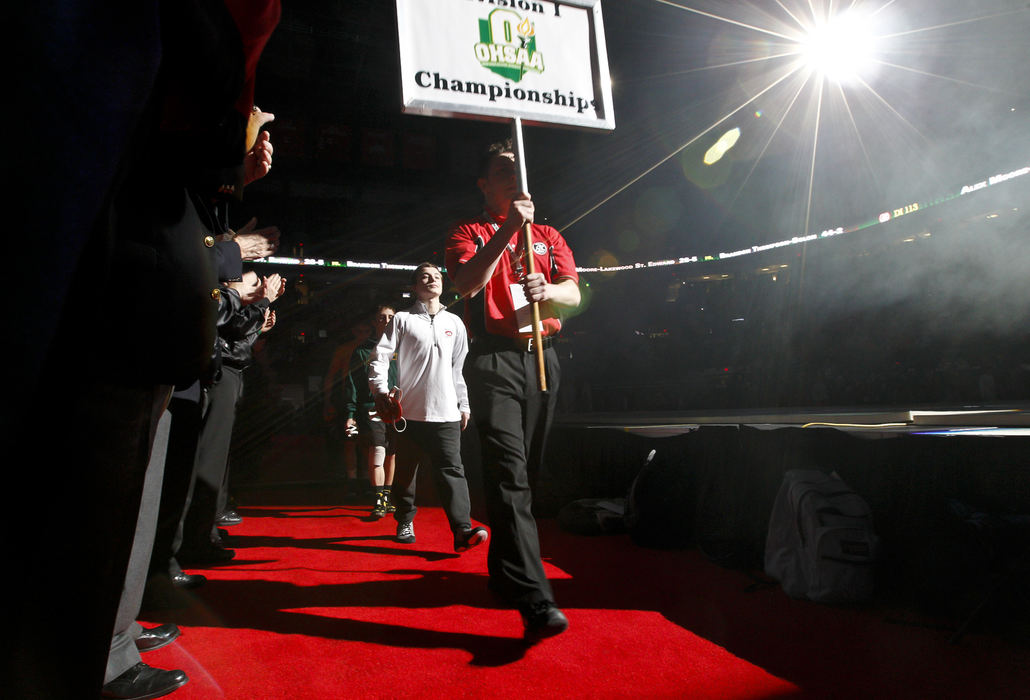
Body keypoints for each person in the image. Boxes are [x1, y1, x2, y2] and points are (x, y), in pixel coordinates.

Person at [445, 139, 580, 643]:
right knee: (509, 475)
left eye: (520, 167)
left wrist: (552, 292)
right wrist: (507, 229)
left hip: (543, 359)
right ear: (484, 184)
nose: (515, 175)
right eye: (503, 169)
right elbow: (465, 284)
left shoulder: (549, 235)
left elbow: (574, 289)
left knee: (528, 477)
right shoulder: (470, 231)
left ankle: (505, 575)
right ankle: (535, 598)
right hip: (494, 361)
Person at [371, 263, 488, 552]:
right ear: (414, 286)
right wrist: (381, 391)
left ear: (442, 284)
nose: (431, 280)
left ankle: (461, 530)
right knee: (406, 472)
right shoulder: (402, 319)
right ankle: (404, 519)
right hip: (408, 413)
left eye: (436, 276)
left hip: (446, 412)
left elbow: (459, 369)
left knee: (452, 470)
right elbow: (380, 356)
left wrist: (465, 404)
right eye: (425, 276)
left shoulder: (455, 323)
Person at [344, 304, 399, 518]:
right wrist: (350, 414)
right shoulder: (362, 351)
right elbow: (353, 383)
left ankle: (387, 496)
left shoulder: (402, 347)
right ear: (374, 322)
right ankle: (379, 500)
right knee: (377, 451)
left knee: (392, 454)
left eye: (390, 317)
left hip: (398, 410)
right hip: (371, 408)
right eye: (381, 317)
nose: (386, 321)